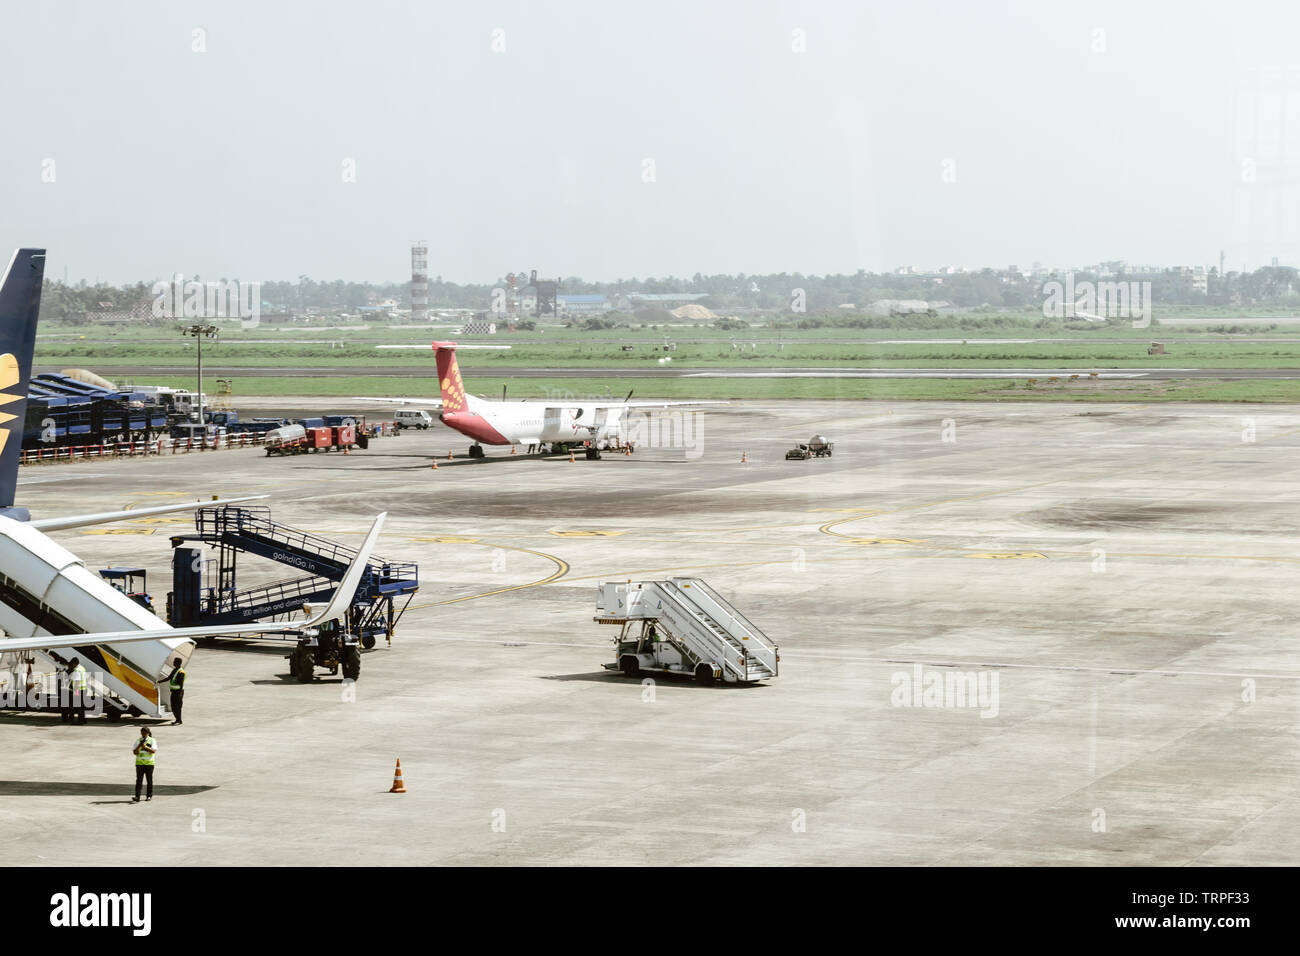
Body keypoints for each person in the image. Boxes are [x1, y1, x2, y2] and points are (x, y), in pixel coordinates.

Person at [132, 727, 157, 802]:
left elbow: (153, 751)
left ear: (148, 733)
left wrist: (145, 747)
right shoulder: (138, 741)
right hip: (139, 764)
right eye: (142, 733)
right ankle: (137, 796)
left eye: (145, 733)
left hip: (149, 763)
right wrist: (140, 745)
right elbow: (135, 752)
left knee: (149, 780)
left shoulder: (152, 740)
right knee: (139, 781)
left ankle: (149, 796)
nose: (143, 735)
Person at [166, 658, 186, 725]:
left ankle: (179, 720)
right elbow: (169, 678)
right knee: (173, 706)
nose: (173, 662)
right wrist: (158, 681)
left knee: (177, 707)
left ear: (178, 663)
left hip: (178, 692)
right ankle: (178, 719)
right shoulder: (175, 670)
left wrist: (180, 694)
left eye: (174, 661)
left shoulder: (181, 672)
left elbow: (181, 684)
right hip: (174, 692)